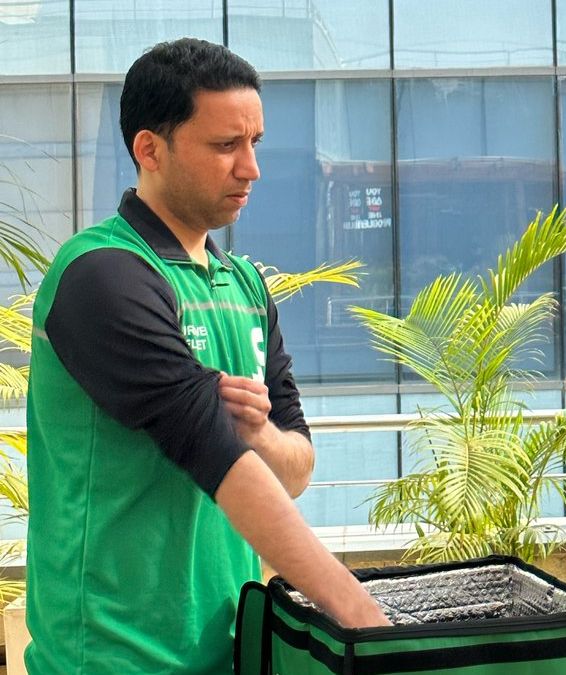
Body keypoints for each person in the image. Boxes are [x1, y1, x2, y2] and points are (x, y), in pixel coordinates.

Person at [25, 38, 388, 674]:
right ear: (149, 149)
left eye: (254, 142)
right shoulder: (102, 275)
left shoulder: (245, 284)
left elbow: (294, 470)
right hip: (112, 659)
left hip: (230, 650)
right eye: (226, 145)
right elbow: (209, 451)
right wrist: (368, 625)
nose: (251, 168)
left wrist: (260, 435)